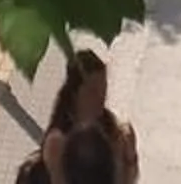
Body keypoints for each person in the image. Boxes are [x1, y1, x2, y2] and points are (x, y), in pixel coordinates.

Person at [42, 49, 138, 184]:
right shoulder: (59, 141)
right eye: (93, 91)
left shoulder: (109, 125)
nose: (101, 97)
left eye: (104, 88)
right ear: (75, 93)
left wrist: (130, 154)